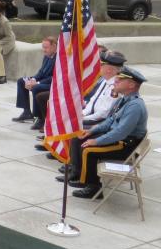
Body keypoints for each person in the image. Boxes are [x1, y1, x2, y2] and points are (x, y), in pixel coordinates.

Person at [63, 66, 149, 199]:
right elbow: (109, 121)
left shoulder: (135, 106)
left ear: (131, 85)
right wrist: (92, 131)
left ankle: (93, 188)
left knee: (89, 150)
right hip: (118, 139)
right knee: (78, 138)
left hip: (125, 145)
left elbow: (121, 132)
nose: (116, 81)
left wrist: (96, 141)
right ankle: (78, 175)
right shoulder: (124, 99)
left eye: (120, 79)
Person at [13, 36, 56, 127]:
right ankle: (27, 112)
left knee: (36, 88)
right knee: (21, 81)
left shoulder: (59, 59)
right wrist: (33, 79)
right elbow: (41, 72)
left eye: (46, 47)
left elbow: (54, 77)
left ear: (54, 46)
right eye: (43, 47)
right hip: (42, 81)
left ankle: (39, 118)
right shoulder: (47, 56)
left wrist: (37, 83)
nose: (44, 50)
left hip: (52, 84)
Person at [81, 51, 125, 128]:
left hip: (100, 122)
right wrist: (83, 114)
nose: (98, 66)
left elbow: (104, 113)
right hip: (91, 117)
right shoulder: (105, 80)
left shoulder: (115, 87)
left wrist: (83, 119)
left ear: (109, 70)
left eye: (101, 65)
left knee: (70, 128)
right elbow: (93, 100)